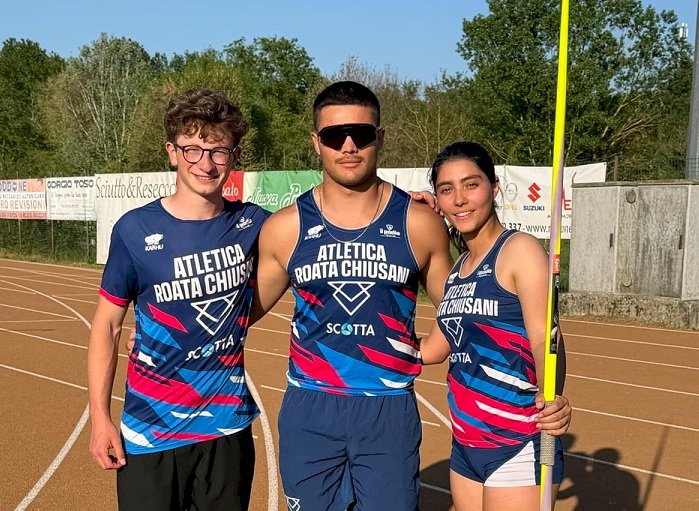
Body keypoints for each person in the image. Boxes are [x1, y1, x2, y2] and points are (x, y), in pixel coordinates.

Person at [252, 82, 571, 511]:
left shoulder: (420, 225)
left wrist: (548, 389)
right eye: (334, 135)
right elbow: (241, 313)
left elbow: (465, 309)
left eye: (361, 134)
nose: (348, 146)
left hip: (390, 410)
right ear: (316, 142)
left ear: (380, 137)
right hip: (311, 408)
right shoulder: (284, 228)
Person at [87, 88, 268, 511]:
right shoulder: (133, 230)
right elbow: (107, 326)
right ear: (172, 152)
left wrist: (410, 203)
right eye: (192, 149)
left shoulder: (255, 223)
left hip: (226, 429)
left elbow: (329, 222)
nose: (205, 164)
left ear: (234, 156)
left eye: (218, 151)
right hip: (150, 431)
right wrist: (99, 418)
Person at [419, 141, 570, 511]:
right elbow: (434, 348)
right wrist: (369, 337)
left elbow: (545, 336)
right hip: (466, 446)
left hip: (517, 440)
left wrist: (552, 394)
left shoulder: (519, 250)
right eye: (446, 189)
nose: (460, 199)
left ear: (494, 187)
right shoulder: (459, 268)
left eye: (471, 184)